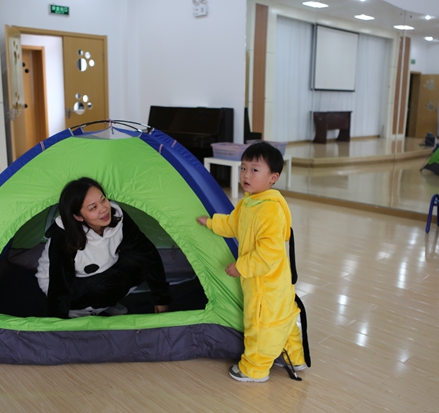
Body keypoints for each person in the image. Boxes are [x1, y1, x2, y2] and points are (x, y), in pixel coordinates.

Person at [197, 141, 306, 382]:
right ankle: (295, 356)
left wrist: (241, 266)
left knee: (261, 325)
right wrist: (211, 223)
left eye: (254, 170)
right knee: (283, 319)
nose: (246, 175)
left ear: (273, 178)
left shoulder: (269, 210)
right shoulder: (250, 202)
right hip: (276, 282)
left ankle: (254, 369)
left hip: (264, 285)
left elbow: (269, 253)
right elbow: (233, 224)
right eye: (243, 168)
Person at [35, 177, 170, 318]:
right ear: (78, 217)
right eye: (93, 207)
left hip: (103, 269)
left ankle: (103, 305)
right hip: (63, 282)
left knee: (141, 265)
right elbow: (60, 286)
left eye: (103, 200)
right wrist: (58, 323)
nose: (104, 209)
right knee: (112, 284)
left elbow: (147, 254)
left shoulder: (117, 216)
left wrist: (161, 299)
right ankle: (80, 311)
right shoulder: (65, 237)